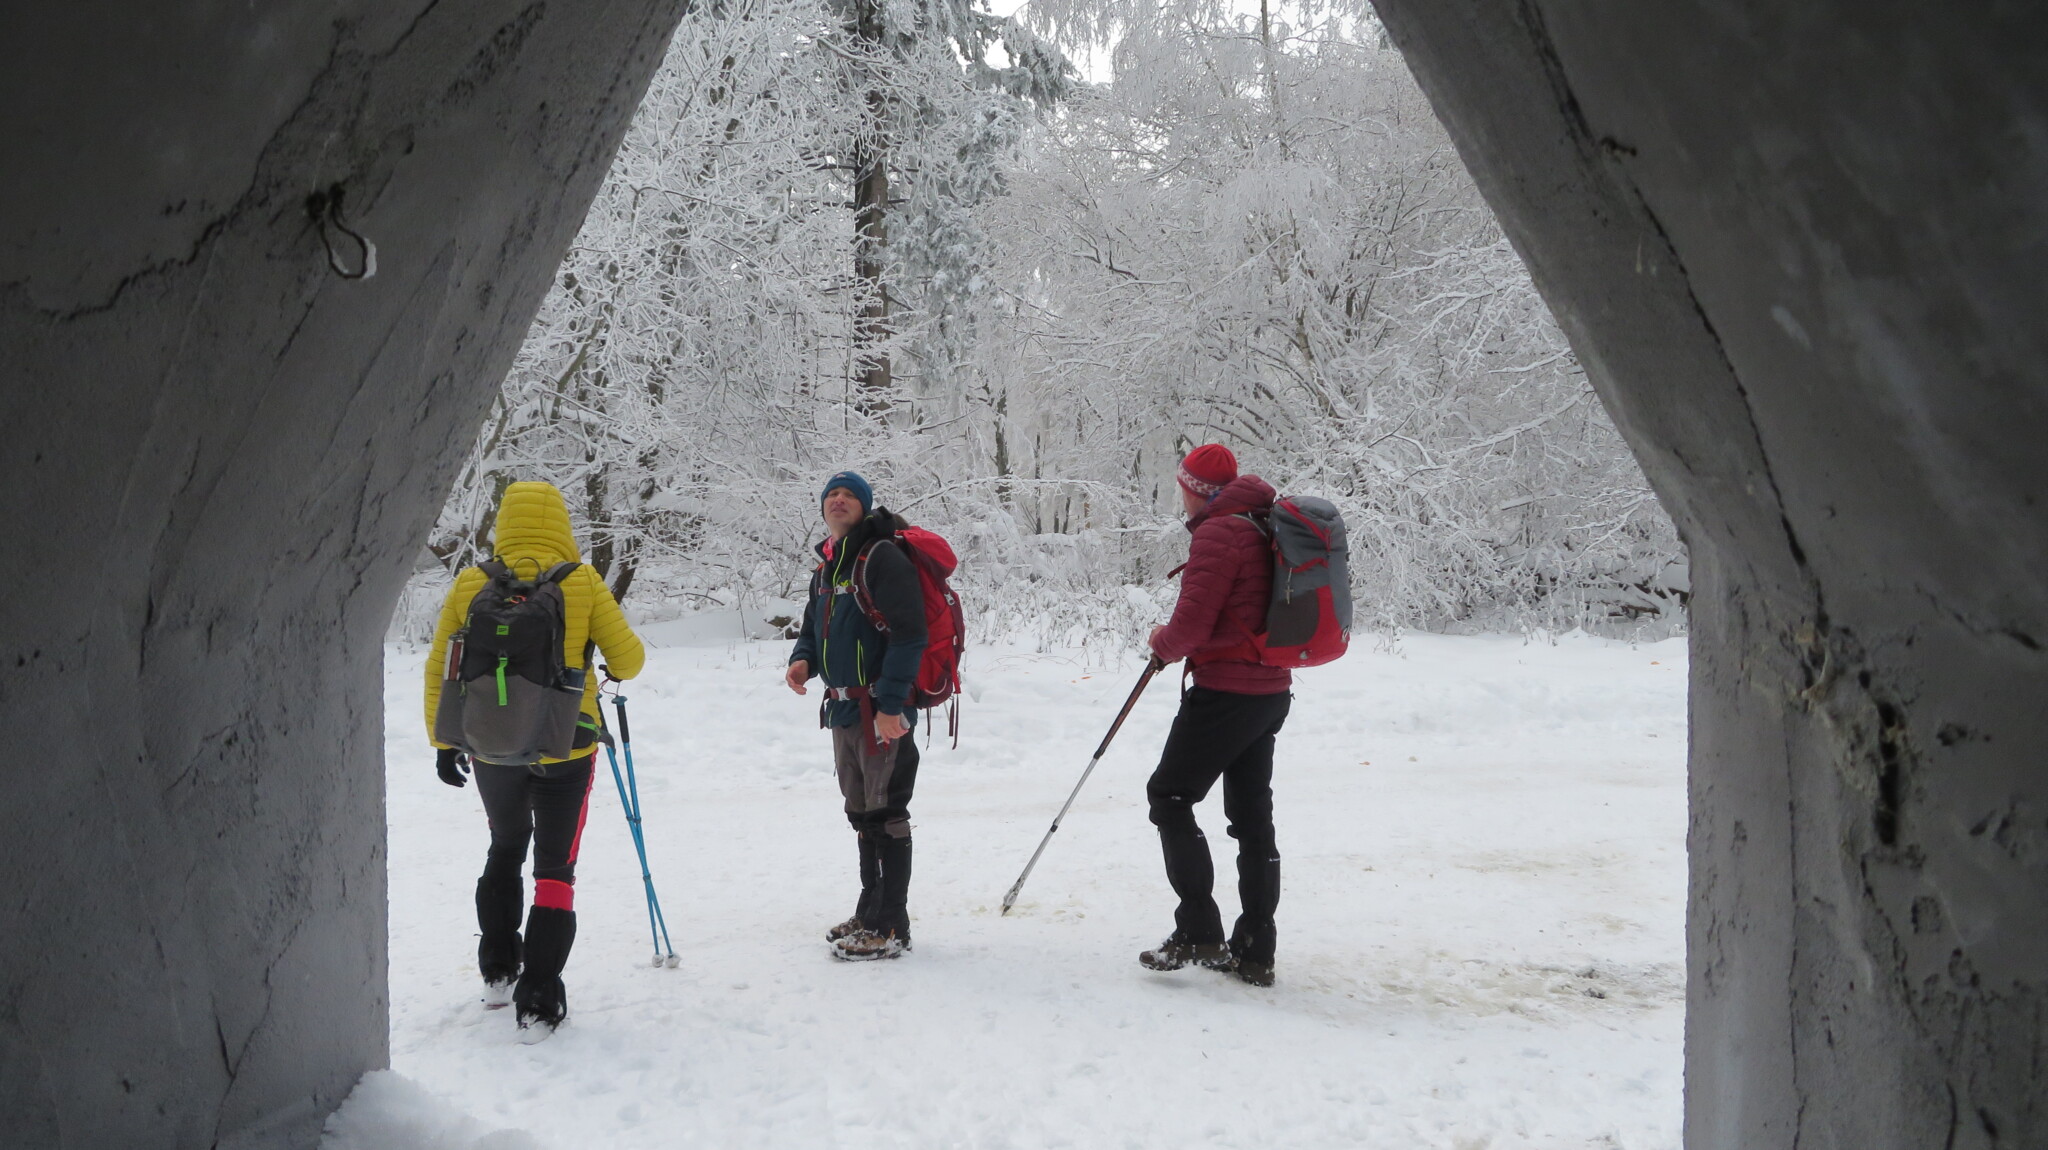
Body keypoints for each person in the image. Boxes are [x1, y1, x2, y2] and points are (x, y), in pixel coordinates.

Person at [424, 480, 645, 1039]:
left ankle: (498, 970)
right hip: (568, 744)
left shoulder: (472, 582)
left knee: (504, 845)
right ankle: (540, 1001)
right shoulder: (582, 581)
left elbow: (440, 666)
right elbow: (629, 661)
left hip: (492, 745)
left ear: (504, 524)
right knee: (555, 869)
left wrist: (444, 742)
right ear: (562, 525)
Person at [1139, 444, 1291, 987]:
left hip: (1227, 691)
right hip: (1270, 690)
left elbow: (1191, 627)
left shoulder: (1219, 533)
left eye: (1183, 487)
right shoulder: (1264, 523)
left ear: (1196, 491)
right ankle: (1256, 949)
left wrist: (1160, 641)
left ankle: (1199, 930)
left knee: (1169, 797)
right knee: (1252, 820)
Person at [783, 471, 929, 960]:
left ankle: (891, 926)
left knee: (887, 814)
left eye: (849, 495)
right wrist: (803, 660)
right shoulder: (827, 567)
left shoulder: (881, 557)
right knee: (862, 813)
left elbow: (910, 634)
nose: (838, 499)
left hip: (880, 711)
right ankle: (869, 912)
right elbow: (812, 628)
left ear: (864, 506)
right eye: (831, 494)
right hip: (844, 709)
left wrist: (892, 705)